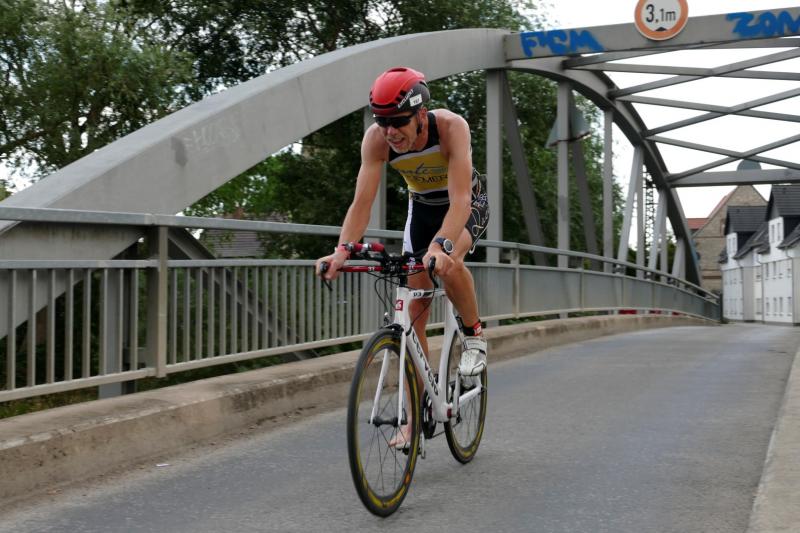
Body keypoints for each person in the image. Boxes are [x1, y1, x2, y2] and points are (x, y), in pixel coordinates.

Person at [315, 66, 489, 445]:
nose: (390, 131)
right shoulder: (376, 141)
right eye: (382, 122)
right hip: (422, 209)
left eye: (398, 121)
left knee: (449, 263)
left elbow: (460, 201)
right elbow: (362, 203)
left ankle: (474, 335)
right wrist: (342, 251)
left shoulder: (451, 128)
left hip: (465, 205)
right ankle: (414, 418)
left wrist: (441, 246)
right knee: (413, 314)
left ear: (421, 114)